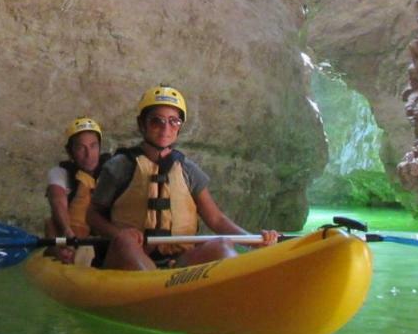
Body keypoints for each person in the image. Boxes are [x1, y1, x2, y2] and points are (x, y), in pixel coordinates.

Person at [86, 85, 280, 270]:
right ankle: (154, 286)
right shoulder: (120, 166)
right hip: (132, 253)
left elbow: (216, 220)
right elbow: (93, 215)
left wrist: (254, 241)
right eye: (157, 120)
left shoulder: (188, 169)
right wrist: (119, 234)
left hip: (178, 259)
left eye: (173, 121)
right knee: (124, 242)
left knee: (221, 244)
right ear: (142, 124)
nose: (165, 128)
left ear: (179, 126)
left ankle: (224, 280)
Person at [45, 116, 109, 264]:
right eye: (81, 148)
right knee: (51, 224)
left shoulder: (111, 171)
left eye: (93, 146)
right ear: (70, 152)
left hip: (103, 237)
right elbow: (58, 201)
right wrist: (68, 232)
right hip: (72, 237)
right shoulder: (60, 173)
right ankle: (60, 255)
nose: (89, 154)